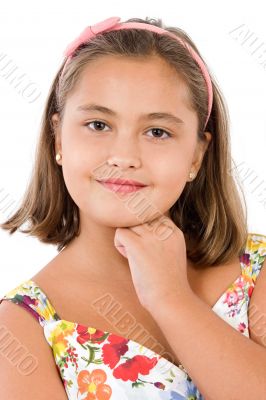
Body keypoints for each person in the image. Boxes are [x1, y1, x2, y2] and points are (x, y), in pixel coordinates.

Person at [0, 15, 265, 400]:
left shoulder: (254, 270)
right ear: (57, 138)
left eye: (157, 132)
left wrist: (171, 298)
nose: (124, 156)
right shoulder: (22, 328)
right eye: (98, 124)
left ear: (196, 155)